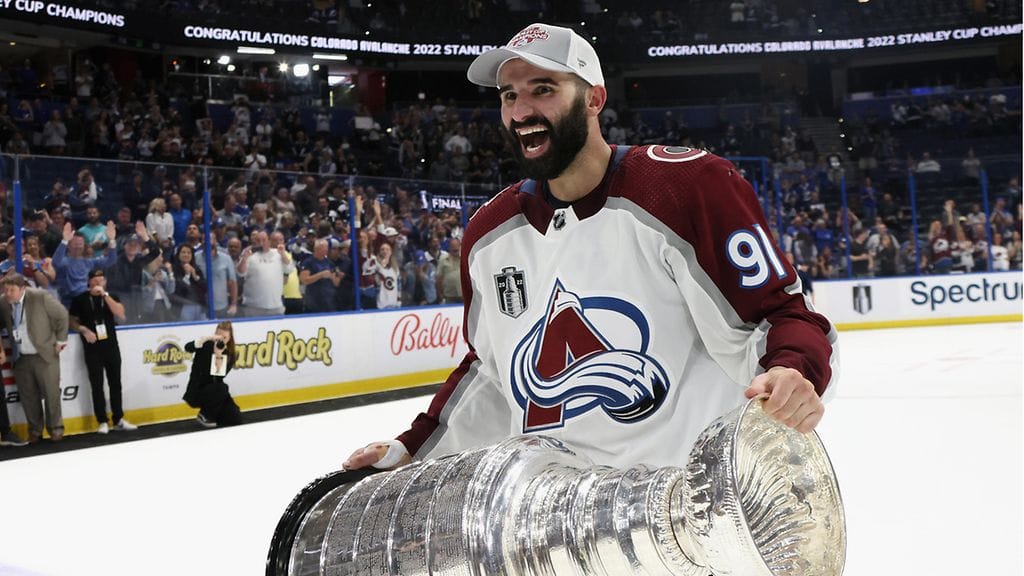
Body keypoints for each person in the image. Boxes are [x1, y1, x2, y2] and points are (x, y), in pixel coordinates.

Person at [344, 23, 838, 473]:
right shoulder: (489, 233)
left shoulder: (687, 188)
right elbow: (492, 376)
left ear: (594, 99)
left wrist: (793, 371)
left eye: (543, 90)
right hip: (566, 525)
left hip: (694, 506)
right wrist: (411, 449)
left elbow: (781, 315)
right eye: (508, 95)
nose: (521, 111)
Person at [0, 274, 69, 443]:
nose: (8, 293)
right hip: (21, 356)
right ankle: (35, 431)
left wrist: (61, 340)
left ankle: (55, 429)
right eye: (5, 290)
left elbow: (62, 315)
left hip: (44, 355)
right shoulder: (3, 302)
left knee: (51, 394)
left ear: (22, 288)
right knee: (28, 397)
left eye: (12, 290)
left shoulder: (39, 297)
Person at [69, 269, 138, 434]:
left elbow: (120, 314)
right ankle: (102, 420)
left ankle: (119, 418)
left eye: (101, 279)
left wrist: (105, 295)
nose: (98, 282)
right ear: (89, 282)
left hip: (111, 346)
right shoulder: (80, 299)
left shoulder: (111, 296)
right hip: (92, 348)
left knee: (115, 383)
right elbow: (71, 320)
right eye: (95, 279)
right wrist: (83, 329)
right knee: (97, 385)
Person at [182, 321, 241, 428]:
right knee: (222, 387)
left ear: (230, 338)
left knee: (235, 417)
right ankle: (205, 415)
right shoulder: (205, 345)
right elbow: (188, 348)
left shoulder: (231, 354)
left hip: (216, 393)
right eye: (218, 336)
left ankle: (215, 414)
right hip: (197, 391)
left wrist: (218, 355)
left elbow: (218, 376)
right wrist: (205, 338)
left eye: (224, 337)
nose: (221, 340)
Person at [237, 230, 294, 317]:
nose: (261, 243)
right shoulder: (249, 255)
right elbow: (240, 273)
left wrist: (283, 254)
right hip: (253, 307)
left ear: (269, 241)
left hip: (275, 306)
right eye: (258, 241)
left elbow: (289, 269)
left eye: (264, 240)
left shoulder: (278, 253)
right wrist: (244, 258)